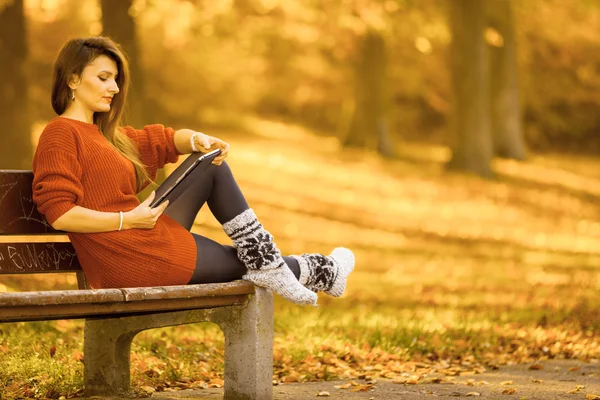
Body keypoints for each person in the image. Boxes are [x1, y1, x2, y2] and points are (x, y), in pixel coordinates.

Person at [32, 36, 354, 306]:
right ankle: (321, 269)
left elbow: (161, 141)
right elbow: (61, 214)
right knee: (248, 261)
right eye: (103, 78)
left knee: (212, 165)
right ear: (73, 79)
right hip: (126, 256)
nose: (114, 87)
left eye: (116, 79)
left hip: (140, 237)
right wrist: (126, 219)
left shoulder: (107, 136)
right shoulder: (61, 133)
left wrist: (198, 139)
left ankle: (302, 267)